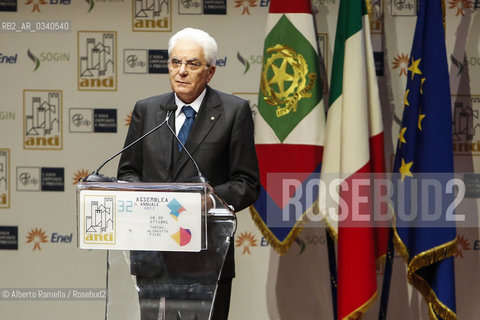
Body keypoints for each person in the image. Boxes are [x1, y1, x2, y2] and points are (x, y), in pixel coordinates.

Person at [117, 27, 260, 320]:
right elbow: (129, 172)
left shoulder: (233, 112)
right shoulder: (148, 110)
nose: (181, 71)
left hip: (207, 255)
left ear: (210, 72)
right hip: (152, 255)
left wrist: (211, 200)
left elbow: (246, 183)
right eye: (175, 62)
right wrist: (146, 198)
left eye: (192, 64)